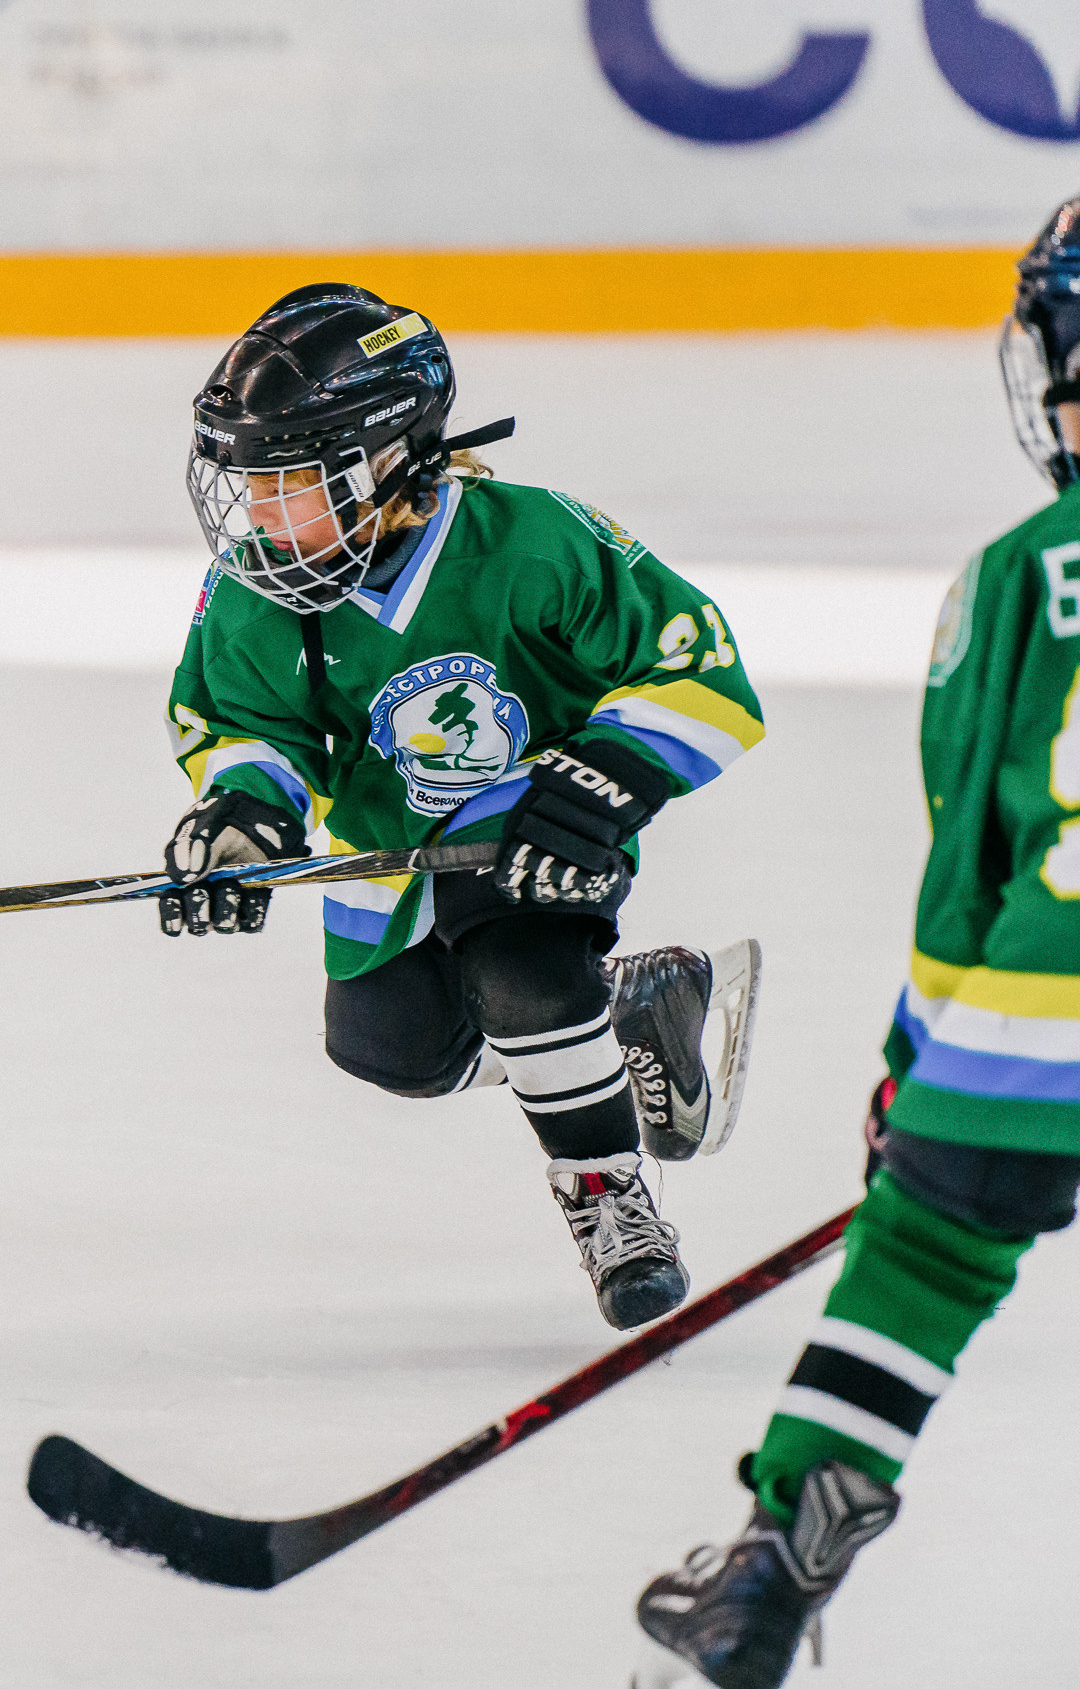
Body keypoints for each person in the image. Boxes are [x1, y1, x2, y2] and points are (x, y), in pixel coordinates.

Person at [630, 200, 1080, 1689]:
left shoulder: (1024, 574)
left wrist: (916, 1072)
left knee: (927, 1256)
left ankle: (773, 1565)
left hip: (1043, 1011)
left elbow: (971, 875)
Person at [160, 284, 765, 1329]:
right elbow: (243, 722)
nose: (256, 514)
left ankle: (607, 1192)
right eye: (248, 484)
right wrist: (245, 813)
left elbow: (699, 666)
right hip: (389, 847)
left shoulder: (533, 541)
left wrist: (606, 776)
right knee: (391, 1049)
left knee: (526, 977)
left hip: (535, 820)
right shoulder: (258, 590)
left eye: (288, 483)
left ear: (387, 464)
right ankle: (621, 1016)